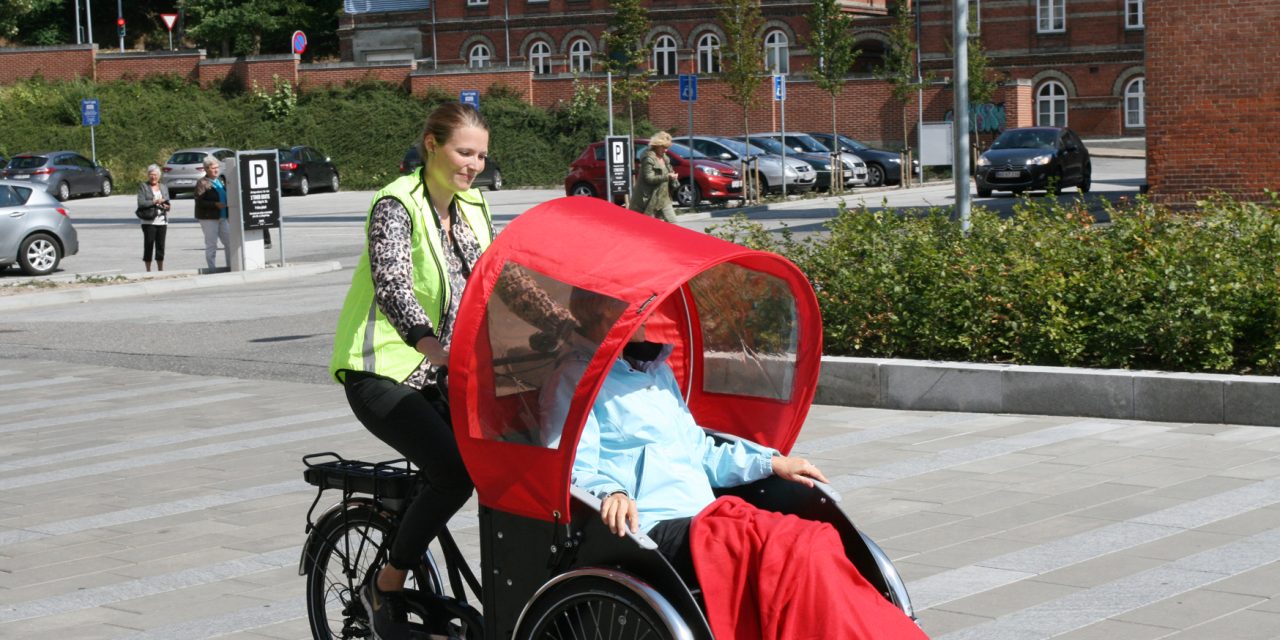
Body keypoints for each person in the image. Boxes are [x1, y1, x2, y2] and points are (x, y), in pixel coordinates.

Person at [541, 290, 928, 639]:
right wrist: (612, 491)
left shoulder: (654, 372)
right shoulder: (575, 379)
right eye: (636, 303)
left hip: (704, 515)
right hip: (652, 528)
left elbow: (701, 451)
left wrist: (770, 463)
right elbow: (567, 462)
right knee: (793, 548)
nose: (649, 311)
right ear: (599, 311)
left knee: (814, 541)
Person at [329, 102, 574, 640]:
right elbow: (392, 284)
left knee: (515, 450)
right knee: (453, 472)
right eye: (465, 152)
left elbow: (504, 280)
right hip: (383, 373)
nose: (474, 164)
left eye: (482, 155)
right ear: (432, 144)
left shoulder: (473, 206)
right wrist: (429, 345)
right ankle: (385, 584)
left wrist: (565, 324)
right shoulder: (396, 204)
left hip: (447, 371)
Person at [629, 131, 680, 223]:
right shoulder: (648, 158)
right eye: (663, 147)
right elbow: (649, 178)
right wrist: (667, 177)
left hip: (663, 198)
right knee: (647, 227)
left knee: (673, 223)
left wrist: (674, 178)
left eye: (667, 148)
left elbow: (669, 173)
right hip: (648, 199)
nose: (665, 150)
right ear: (657, 145)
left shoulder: (665, 158)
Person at [193, 156, 230, 271]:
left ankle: (231, 266)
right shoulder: (202, 183)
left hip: (223, 217)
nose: (216, 170)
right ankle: (212, 269)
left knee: (229, 242)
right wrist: (215, 204)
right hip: (209, 218)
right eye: (213, 168)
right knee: (211, 244)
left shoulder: (220, 180)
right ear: (206, 169)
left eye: (217, 167)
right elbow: (199, 201)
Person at [135, 164, 171, 272]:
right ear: (148, 175)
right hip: (148, 221)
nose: (153, 177)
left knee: (161, 246)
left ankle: (160, 269)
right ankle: (148, 270)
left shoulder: (163, 187)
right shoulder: (143, 186)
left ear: (159, 176)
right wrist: (154, 201)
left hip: (162, 221)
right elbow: (141, 203)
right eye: (151, 175)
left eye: (155, 175)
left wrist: (166, 206)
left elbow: (168, 203)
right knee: (149, 245)